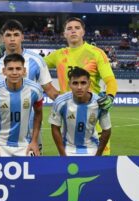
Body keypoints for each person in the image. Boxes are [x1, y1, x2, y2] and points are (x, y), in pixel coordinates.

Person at [44, 17, 118, 155]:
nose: (73, 31)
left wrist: (110, 97)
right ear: (64, 34)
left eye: (77, 28)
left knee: (100, 170)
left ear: (83, 32)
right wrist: (51, 91)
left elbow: (111, 81)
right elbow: (31, 65)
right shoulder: (58, 55)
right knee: (70, 170)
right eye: (69, 28)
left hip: (94, 120)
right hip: (69, 124)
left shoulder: (96, 53)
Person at [0, 19, 58, 154]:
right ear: (3, 38)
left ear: (22, 36)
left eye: (16, 34)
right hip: (1, 128)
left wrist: (71, 99)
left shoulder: (36, 60)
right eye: (8, 35)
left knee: (34, 170)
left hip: (31, 127)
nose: (12, 39)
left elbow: (49, 90)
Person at [0, 54, 43, 156]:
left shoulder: (35, 89)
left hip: (25, 144)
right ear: (4, 71)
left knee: (34, 169)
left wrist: (34, 141)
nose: (14, 72)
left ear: (24, 70)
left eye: (18, 69)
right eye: (10, 69)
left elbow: (38, 114)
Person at [48, 67, 111, 156]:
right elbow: (55, 127)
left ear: (89, 84)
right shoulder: (60, 102)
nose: (79, 87)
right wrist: (62, 154)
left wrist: (98, 155)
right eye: (75, 83)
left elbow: (107, 129)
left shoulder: (100, 103)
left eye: (83, 83)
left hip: (92, 149)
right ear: (70, 84)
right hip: (67, 149)